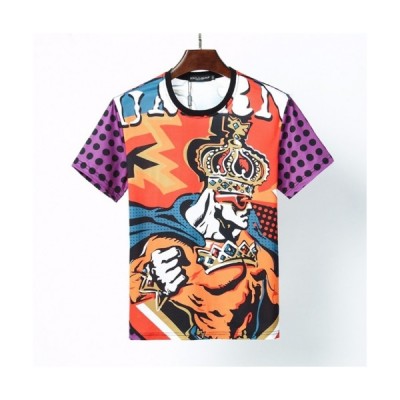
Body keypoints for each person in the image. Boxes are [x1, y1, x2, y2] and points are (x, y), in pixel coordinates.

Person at [129, 115, 279, 339]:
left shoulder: (253, 237)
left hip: (258, 346)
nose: (248, 209)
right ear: (214, 198)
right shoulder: (167, 243)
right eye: (240, 201)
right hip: (175, 348)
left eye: (248, 200)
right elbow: (132, 286)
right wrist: (152, 277)